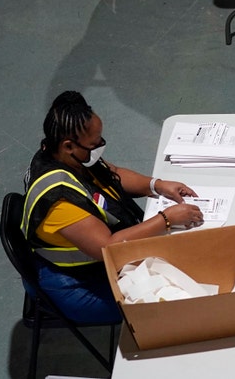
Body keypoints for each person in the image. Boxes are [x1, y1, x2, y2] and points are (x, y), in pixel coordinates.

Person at [22, 91, 203, 324]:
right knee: (168, 307)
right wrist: (165, 219)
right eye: (94, 144)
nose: (100, 147)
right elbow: (107, 248)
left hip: (96, 267)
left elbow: (112, 174)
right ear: (69, 146)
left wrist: (157, 186)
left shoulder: (66, 155)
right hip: (76, 284)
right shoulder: (60, 201)